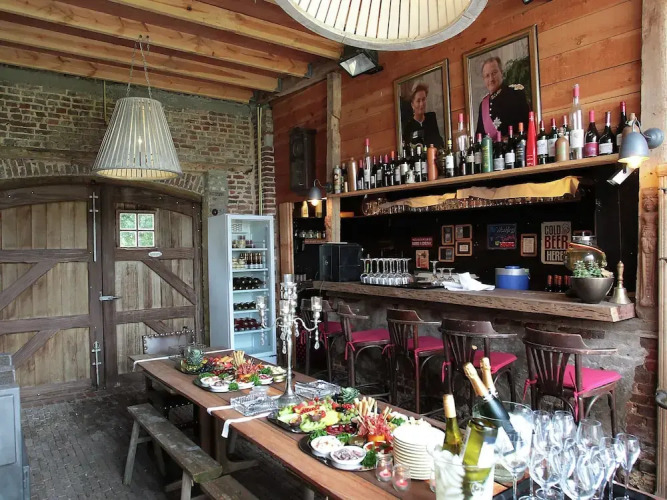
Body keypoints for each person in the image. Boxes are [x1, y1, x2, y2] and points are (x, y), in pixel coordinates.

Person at [475, 56, 530, 138]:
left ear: (501, 73)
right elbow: (479, 137)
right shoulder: (483, 105)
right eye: (487, 76)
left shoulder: (515, 94)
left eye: (494, 73)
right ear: (484, 79)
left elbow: (526, 127)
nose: (491, 79)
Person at [402, 82, 445, 148]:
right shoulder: (408, 127)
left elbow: (439, 143)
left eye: (423, 99)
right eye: (418, 101)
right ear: (412, 105)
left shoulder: (431, 118)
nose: (421, 104)